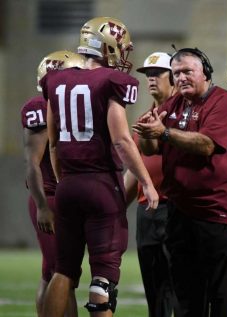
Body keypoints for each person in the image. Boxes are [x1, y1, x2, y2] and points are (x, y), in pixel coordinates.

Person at [40, 17, 159, 317]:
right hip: (101, 185)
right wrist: (146, 182)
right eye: (120, 48)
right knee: (103, 278)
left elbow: (53, 143)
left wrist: (62, 180)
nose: (123, 55)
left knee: (63, 270)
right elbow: (121, 139)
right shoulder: (111, 82)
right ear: (106, 46)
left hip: (67, 185)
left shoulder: (55, 80)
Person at [133, 47, 227, 317]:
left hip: (215, 213)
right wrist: (148, 131)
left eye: (187, 72)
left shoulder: (224, 102)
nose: (180, 78)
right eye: (177, 73)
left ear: (204, 71)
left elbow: (206, 145)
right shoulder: (174, 104)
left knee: (221, 296)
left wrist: (165, 132)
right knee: (186, 297)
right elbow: (150, 149)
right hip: (179, 214)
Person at [22, 50, 85, 317]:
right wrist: (42, 207)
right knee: (59, 271)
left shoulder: (68, 106)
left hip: (69, 198)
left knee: (61, 272)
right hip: (49, 197)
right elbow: (32, 164)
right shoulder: (39, 106)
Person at [123, 51, 176, 317]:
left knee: (182, 290)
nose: (151, 79)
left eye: (158, 74)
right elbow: (136, 169)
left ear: (174, 77)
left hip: (178, 210)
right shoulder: (144, 120)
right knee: (155, 293)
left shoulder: (187, 114)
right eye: (148, 75)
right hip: (148, 212)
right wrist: (115, 208)